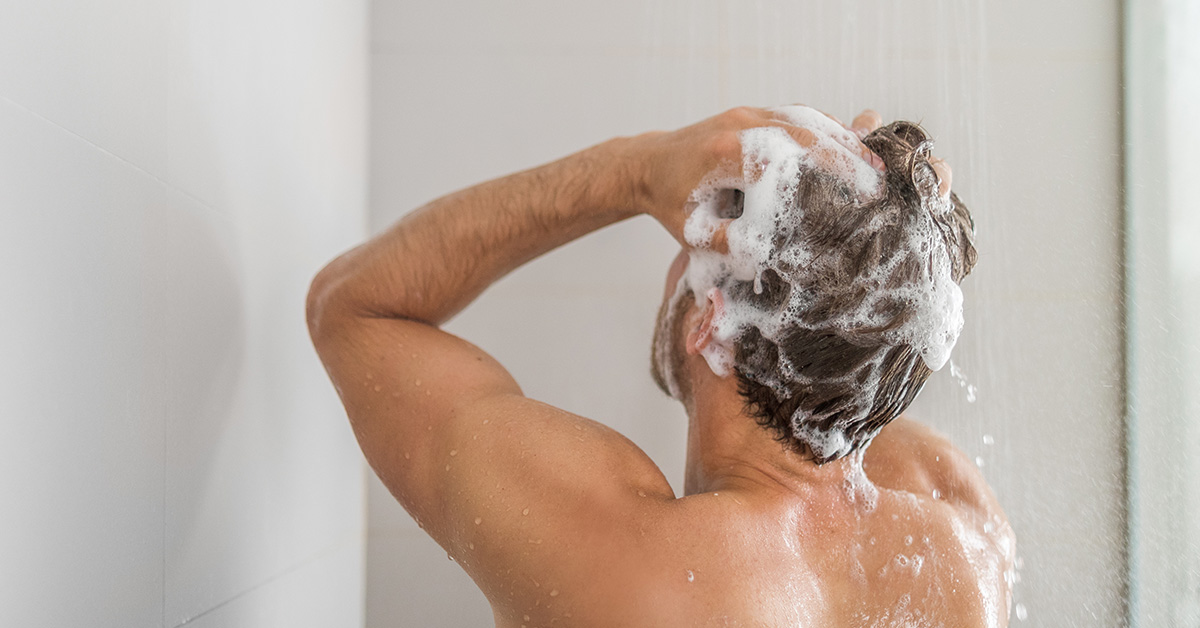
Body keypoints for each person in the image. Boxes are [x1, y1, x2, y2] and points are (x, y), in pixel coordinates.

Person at [306, 106, 1015, 627]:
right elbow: (855, 352)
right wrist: (887, 232)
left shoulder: (627, 557)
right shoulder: (962, 540)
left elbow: (354, 309)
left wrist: (639, 171)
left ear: (711, 322)